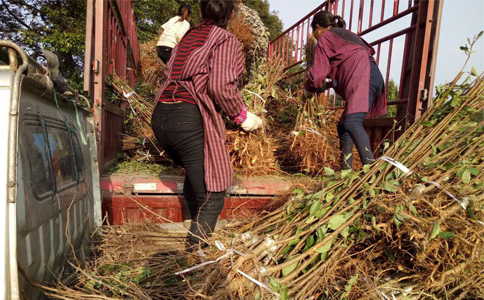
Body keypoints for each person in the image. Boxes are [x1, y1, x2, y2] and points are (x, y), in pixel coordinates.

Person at [151, 0, 263, 247]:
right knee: (212, 194)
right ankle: (195, 256)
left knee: (197, 176)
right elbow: (220, 86)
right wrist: (242, 116)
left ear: (201, 12)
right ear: (231, 14)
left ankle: (193, 232)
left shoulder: (189, 36)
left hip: (161, 117)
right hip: (187, 118)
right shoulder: (225, 39)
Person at [304, 11, 387, 170]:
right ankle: (345, 172)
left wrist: (309, 88)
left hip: (364, 77)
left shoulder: (326, 36)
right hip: (373, 77)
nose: (315, 37)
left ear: (318, 27)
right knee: (343, 126)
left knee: (352, 121)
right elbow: (345, 66)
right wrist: (327, 85)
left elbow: (317, 74)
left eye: (314, 33)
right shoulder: (342, 35)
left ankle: (372, 171)